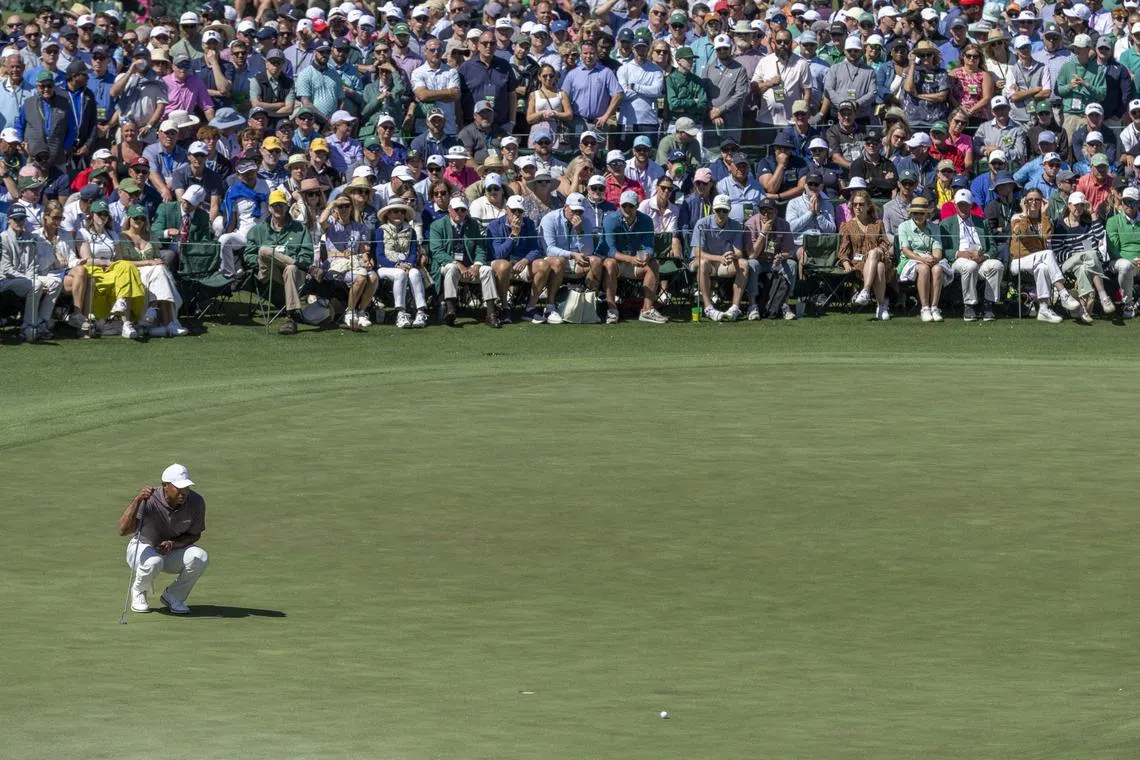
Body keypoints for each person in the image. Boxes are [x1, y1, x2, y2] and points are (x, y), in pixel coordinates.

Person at [117, 463, 208, 615]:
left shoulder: (196, 501)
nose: (183, 493)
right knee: (154, 561)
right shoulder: (149, 500)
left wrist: (174, 543)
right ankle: (139, 591)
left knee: (200, 557)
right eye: (179, 488)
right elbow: (123, 530)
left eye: (186, 487)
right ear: (165, 486)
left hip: (172, 551)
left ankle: (173, 596)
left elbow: (195, 534)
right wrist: (138, 500)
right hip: (142, 547)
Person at [244, 188, 316, 335]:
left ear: (287, 207)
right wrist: (262, 262)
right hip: (268, 273)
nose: (278, 208)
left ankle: (291, 317)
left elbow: (307, 255)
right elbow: (248, 256)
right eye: (275, 205)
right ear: (269, 208)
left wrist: (289, 262)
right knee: (264, 250)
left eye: (281, 205)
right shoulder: (257, 230)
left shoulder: (300, 229)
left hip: (294, 276)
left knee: (290, 269)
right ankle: (294, 264)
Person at [1008, 187, 1084, 323]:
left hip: (1039, 261)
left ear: (1042, 202)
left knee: (1043, 267)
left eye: (1037, 199)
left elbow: (1047, 236)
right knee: (1048, 254)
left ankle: (1043, 308)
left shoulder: (1045, 219)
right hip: (1018, 261)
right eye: (1030, 199)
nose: (1033, 202)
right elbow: (1023, 235)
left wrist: (1043, 214)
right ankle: (1063, 292)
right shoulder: (1017, 217)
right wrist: (1025, 213)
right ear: (1024, 201)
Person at [598, 189, 668, 324]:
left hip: (634, 262)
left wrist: (647, 255)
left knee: (653, 264)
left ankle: (647, 310)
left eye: (631, 206)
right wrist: (630, 259)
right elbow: (610, 250)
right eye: (624, 205)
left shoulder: (646, 220)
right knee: (609, 263)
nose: (627, 209)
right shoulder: (610, 220)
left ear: (637, 206)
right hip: (616, 262)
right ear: (619, 206)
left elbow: (649, 246)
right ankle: (612, 309)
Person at [79, 198, 146, 338]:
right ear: (92, 215)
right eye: (99, 214)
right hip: (94, 268)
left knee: (127, 267)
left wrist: (111, 264)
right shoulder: (83, 233)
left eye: (105, 214)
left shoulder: (112, 234)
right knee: (125, 273)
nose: (102, 217)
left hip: (111, 268)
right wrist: (106, 263)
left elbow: (119, 259)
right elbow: (86, 259)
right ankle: (128, 321)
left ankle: (123, 310)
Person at [118, 204, 188, 337]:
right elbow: (122, 263)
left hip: (154, 273)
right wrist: (148, 262)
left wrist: (157, 262)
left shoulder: (151, 236)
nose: (139, 221)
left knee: (161, 270)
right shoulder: (122, 237)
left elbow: (158, 257)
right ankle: (168, 321)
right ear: (129, 219)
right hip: (132, 273)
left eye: (142, 218)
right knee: (159, 272)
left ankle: (159, 315)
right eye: (136, 218)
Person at [429, 195, 499, 326]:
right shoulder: (437, 225)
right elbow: (436, 251)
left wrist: (477, 265)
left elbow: (480, 249)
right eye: (457, 209)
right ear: (450, 209)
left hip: (470, 266)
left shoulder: (473, 224)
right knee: (451, 268)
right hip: (448, 265)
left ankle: (491, 313)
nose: (460, 213)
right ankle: (450, 310)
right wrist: (458, 264)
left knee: (487, 270)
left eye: (463, 210)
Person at [940, 189, 1004, 321]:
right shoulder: (946, 224)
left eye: (966, 205)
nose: (963, 208)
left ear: (971, 205)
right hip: (960, 259)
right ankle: (969, 305)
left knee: (997, 265)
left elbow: (992, 246)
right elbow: (943, 249)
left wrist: (984, 256)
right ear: (955, 205)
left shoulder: (982, 222)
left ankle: (988, 304)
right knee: (970, 266)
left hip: (980, 258)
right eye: (960, 205)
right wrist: (959, 253)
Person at [0, 204, 60, 342]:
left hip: (26, 279)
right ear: (9, 220)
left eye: (22, 219)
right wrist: (31, 280)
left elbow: (33, 265)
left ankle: (41, 322)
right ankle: (29, 325)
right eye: (17, 219)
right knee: (36, 284)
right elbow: (6, 270)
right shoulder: (2, 238)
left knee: (55, 283)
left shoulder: (29, 237)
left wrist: (31, 278)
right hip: (6, 281)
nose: (20, 222)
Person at [1050, 190, 1109, 322]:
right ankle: (1103, 295)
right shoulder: (1060, 225)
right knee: (1090, 255)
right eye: (1075, 205)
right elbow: (1058, 253)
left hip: (1086, 263)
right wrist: (1076, 254)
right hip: (1068, 263)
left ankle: (1083, 309)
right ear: (1069, 206)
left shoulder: (1088, 223)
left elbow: (1100, 237)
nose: (1078, 208)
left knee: (1084, 267)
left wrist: (1093, 214)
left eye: (1081, 205)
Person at [323, 195, 377, 331]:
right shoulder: (331, 223)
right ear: (335, 208)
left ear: (351, 207)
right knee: (361, 277)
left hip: (355, 262)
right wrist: (332, 204)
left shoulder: (359, 227)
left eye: (347, 205)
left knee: (373, 277)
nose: (344, 208)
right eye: (340, 206)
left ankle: (361, 312)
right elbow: (321, 221)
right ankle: (350, 312)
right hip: (336, 266)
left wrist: (366, 259)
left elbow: (362, 249)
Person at [689, 193, 746, 321]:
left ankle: (735, 308)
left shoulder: (735, 225)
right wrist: (719, 258)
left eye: (724, 210)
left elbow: (739, 252)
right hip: (702, 262)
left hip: (723, 264)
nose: (721, 213)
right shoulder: (702, 223)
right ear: (713, 209)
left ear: (729, 210)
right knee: (703, 263)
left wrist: (733, 255)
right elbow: (698, 252)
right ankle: (708, 308)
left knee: (744, 264)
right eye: (718, 210)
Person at [839, 189, 893, 321]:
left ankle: (866, 291)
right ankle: (881, 307)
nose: (858, 207)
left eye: (861, 204)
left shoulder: (877, 223)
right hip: (860, 262)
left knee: (874, 254)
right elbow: (843, 249)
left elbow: (885, 243)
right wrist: (845, 263)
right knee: (878, 267)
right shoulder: (847, 226)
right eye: (855, 204)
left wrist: (879, 250)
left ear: (868, 205)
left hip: (880, 256)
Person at [375, 199, 430, 328]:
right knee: (400, 274)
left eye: (401, 211)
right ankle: (401, 312)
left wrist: (409, 264)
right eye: (395, 211)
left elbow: (412, 252)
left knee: (415, 272)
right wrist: (395, 265)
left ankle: (421, 312)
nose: (398, 214)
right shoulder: (380, 231)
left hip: (406, 265)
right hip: (385, 267)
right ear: (388, 214)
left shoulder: (411, 231)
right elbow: (379, 255)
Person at [896, 196, 950, 322]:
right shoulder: (904, 226)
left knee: (937, 269)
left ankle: (935, 307)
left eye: (921, 213)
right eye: (915, 213)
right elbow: (906, 250)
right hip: (909, 261)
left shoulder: (935, 227)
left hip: (930, 258)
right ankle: (925, 308)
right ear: (911, 213)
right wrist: (922, 259)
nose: (918, 216)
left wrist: (935, 258)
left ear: (926, 214)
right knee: (924, 268)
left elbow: (937, 247)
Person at [1104, 185, 1140, 318]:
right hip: (1119, 261)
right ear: (1122, 202)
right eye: (1126, 202)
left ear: (1138, 203)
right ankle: (1128, 305)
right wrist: (1131, 262)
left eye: (1133, 202)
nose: (1129, 205)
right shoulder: (1113, 221)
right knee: (1125, 265)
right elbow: (1113, 249)